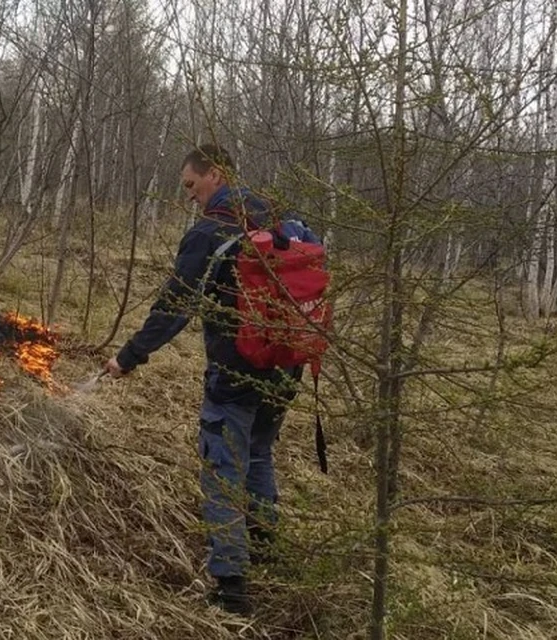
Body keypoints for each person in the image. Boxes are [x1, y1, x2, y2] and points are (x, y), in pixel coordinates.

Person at [104, 144, 320, 615]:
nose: (189, 196)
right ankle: (264, 544)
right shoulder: (282, 215)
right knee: (260, 451)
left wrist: (129, 356)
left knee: (222, 468)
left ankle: (230, 586)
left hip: (236, 370)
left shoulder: (211, 230)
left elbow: (176, 305)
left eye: (190, 185)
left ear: (215, 175)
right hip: (287, 365)